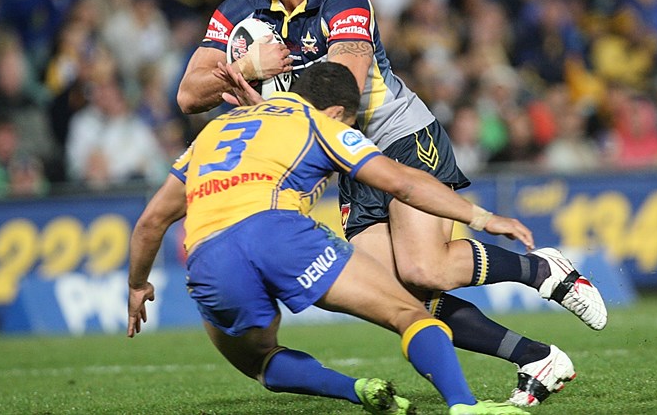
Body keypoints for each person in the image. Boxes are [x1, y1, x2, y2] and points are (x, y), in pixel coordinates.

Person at [176, 0, 607, 407]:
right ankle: (535, 357)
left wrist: (269, 97)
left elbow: (345, 92)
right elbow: (188, 94)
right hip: (342, 156)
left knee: (426, 269)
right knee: (401, 297)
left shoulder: (344, 0)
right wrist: (247, 70)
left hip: (396, 136)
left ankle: (542, 271)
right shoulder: (242, 7)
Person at [128, 62, 533, 415]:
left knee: (259, 360)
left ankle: (357, 390)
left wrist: (137, 285)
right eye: (350, 123)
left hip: (207, 255)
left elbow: (150, 223)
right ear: (339, 111)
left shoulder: (214, 131)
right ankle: (463, 404)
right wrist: (482, 217)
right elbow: (403, 183)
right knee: (409, 313)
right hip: (278, 232)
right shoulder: (320, 124)